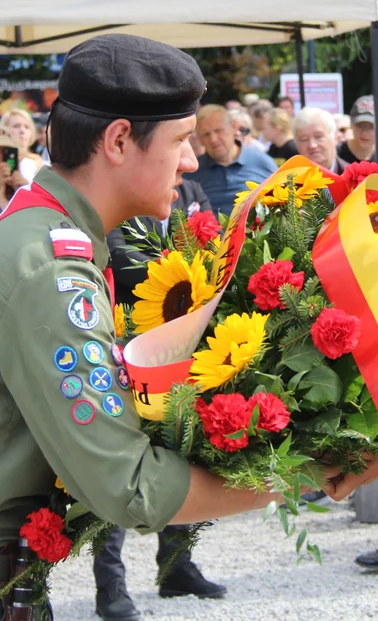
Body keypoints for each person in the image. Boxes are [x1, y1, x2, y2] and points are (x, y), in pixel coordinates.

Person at [0, 34, 378, 620]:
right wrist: (305, 471)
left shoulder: (43, 240)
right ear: (119, 140)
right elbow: (128, 484)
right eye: (181, 140)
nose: (190, 161)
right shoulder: (49, 270)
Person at [100, 180, 223, 620]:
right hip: (127, 343)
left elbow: (217, 249)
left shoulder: (192, 188)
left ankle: (177, 566)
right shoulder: (123, 195)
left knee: (181, 450)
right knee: (118, 458)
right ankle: (110, 584)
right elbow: (127, 265)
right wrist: (181, 264)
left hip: (181, 345)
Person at [185, 104, 278, 216]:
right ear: (199, 139)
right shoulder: (191, 172)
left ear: (233, 127)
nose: (213, 139)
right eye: (206, 134)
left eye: (218, 130)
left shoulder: (262, 163)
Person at [339, 96, 378, 166]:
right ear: (351, 123)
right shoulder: (336, 154)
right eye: (360, 125)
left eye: (371, 127)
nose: (365, 133)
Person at [292, 107, 345, 173]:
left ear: (334, 138)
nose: (312, 145)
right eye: (304, 139)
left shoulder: (356, 180)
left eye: (318, 137)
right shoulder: (288, 181)